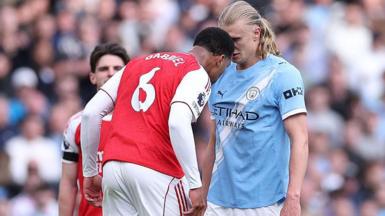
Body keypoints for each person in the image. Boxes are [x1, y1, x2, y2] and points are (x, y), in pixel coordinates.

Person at [80, 27, 234, 216]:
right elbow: (177, 122)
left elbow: (90, 113)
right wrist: (195, 184)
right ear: (220, 59)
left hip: (113, 169)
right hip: (157, 171)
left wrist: (89, 172)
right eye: (225, 69)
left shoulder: (137, 62)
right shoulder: (196, 72)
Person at [201, 1, 308, 216]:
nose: (230, 48)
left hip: (264, 203)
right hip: (217, 201)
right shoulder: (219, 73)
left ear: (256, 33)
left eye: (235, 40)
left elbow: (301, 139)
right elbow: (214, 140)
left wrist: (293, 197)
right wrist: (202, 193)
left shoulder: (283, 75)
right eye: (225, 41)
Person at [58, 43, 130, 216]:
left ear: (128, 75)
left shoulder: (143, 122)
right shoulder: (76, 124)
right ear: (92, 77)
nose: (111, 73)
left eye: (118, 68)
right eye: (104, 69)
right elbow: (68, 183)